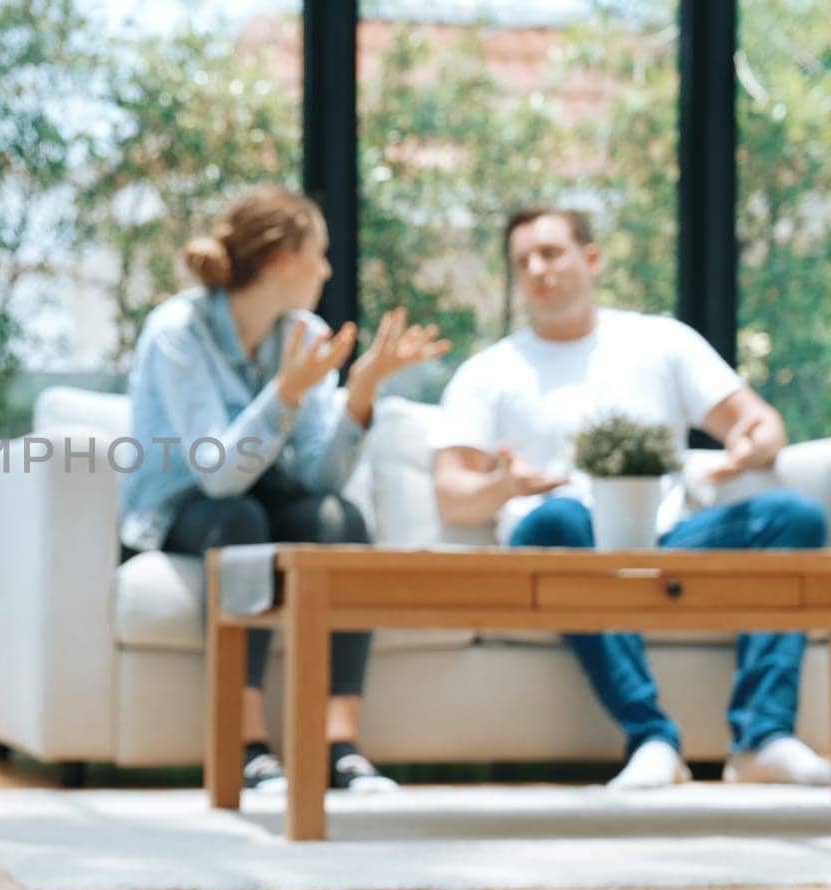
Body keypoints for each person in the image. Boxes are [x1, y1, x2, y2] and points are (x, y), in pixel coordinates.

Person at [431, 205, 830, 789]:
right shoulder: (487, 372)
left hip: (666, 543)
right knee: (556, 520)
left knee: (793, 517)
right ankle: (653, 738)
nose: (537, 270)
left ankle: (762, 738)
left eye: (551, 253)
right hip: (564, 548)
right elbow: (453, 494)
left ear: (591, 259)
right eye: (522, 262)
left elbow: (760, 422)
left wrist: (751, 446)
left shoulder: (660, 342)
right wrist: (506, 486)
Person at [120, 185, 449, 792]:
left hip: (265, 496)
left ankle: (339, 745)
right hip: (184, 506)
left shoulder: (303, 332)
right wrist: (287, 393)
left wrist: (362, 391)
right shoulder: (178, 332)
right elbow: (217, 475)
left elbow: (319, 477)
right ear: (280, 259)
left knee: (339, 520)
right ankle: (247, 747)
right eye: (318, 254)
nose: (326, 270)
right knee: (240, 523)